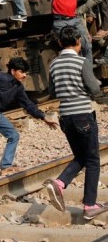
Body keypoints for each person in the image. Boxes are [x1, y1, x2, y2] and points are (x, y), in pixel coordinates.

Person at [46, 26, 106, 220]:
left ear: (61, 43)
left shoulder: (54, 64)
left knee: (80, 155)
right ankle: (89, 205)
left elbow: (53, 92)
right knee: (93, 160)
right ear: (78, 42)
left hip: (66, 118)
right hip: (83, 115)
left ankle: (60, 183)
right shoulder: (81, 62)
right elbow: (94, 89)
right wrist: (93, 84)